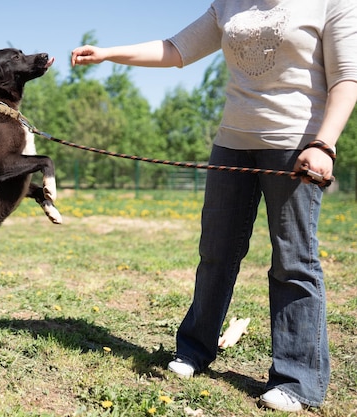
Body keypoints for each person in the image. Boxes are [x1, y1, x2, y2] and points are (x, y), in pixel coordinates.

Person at [71, 0, 357, 412]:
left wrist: (323, 143)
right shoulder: (229, 3)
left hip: (296, 146)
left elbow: (346, 77)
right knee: (216, 253)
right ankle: (193, 350)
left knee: (294, 260)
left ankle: (298, 380)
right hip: (231, 145)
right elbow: (176, 49)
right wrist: (108, 53)